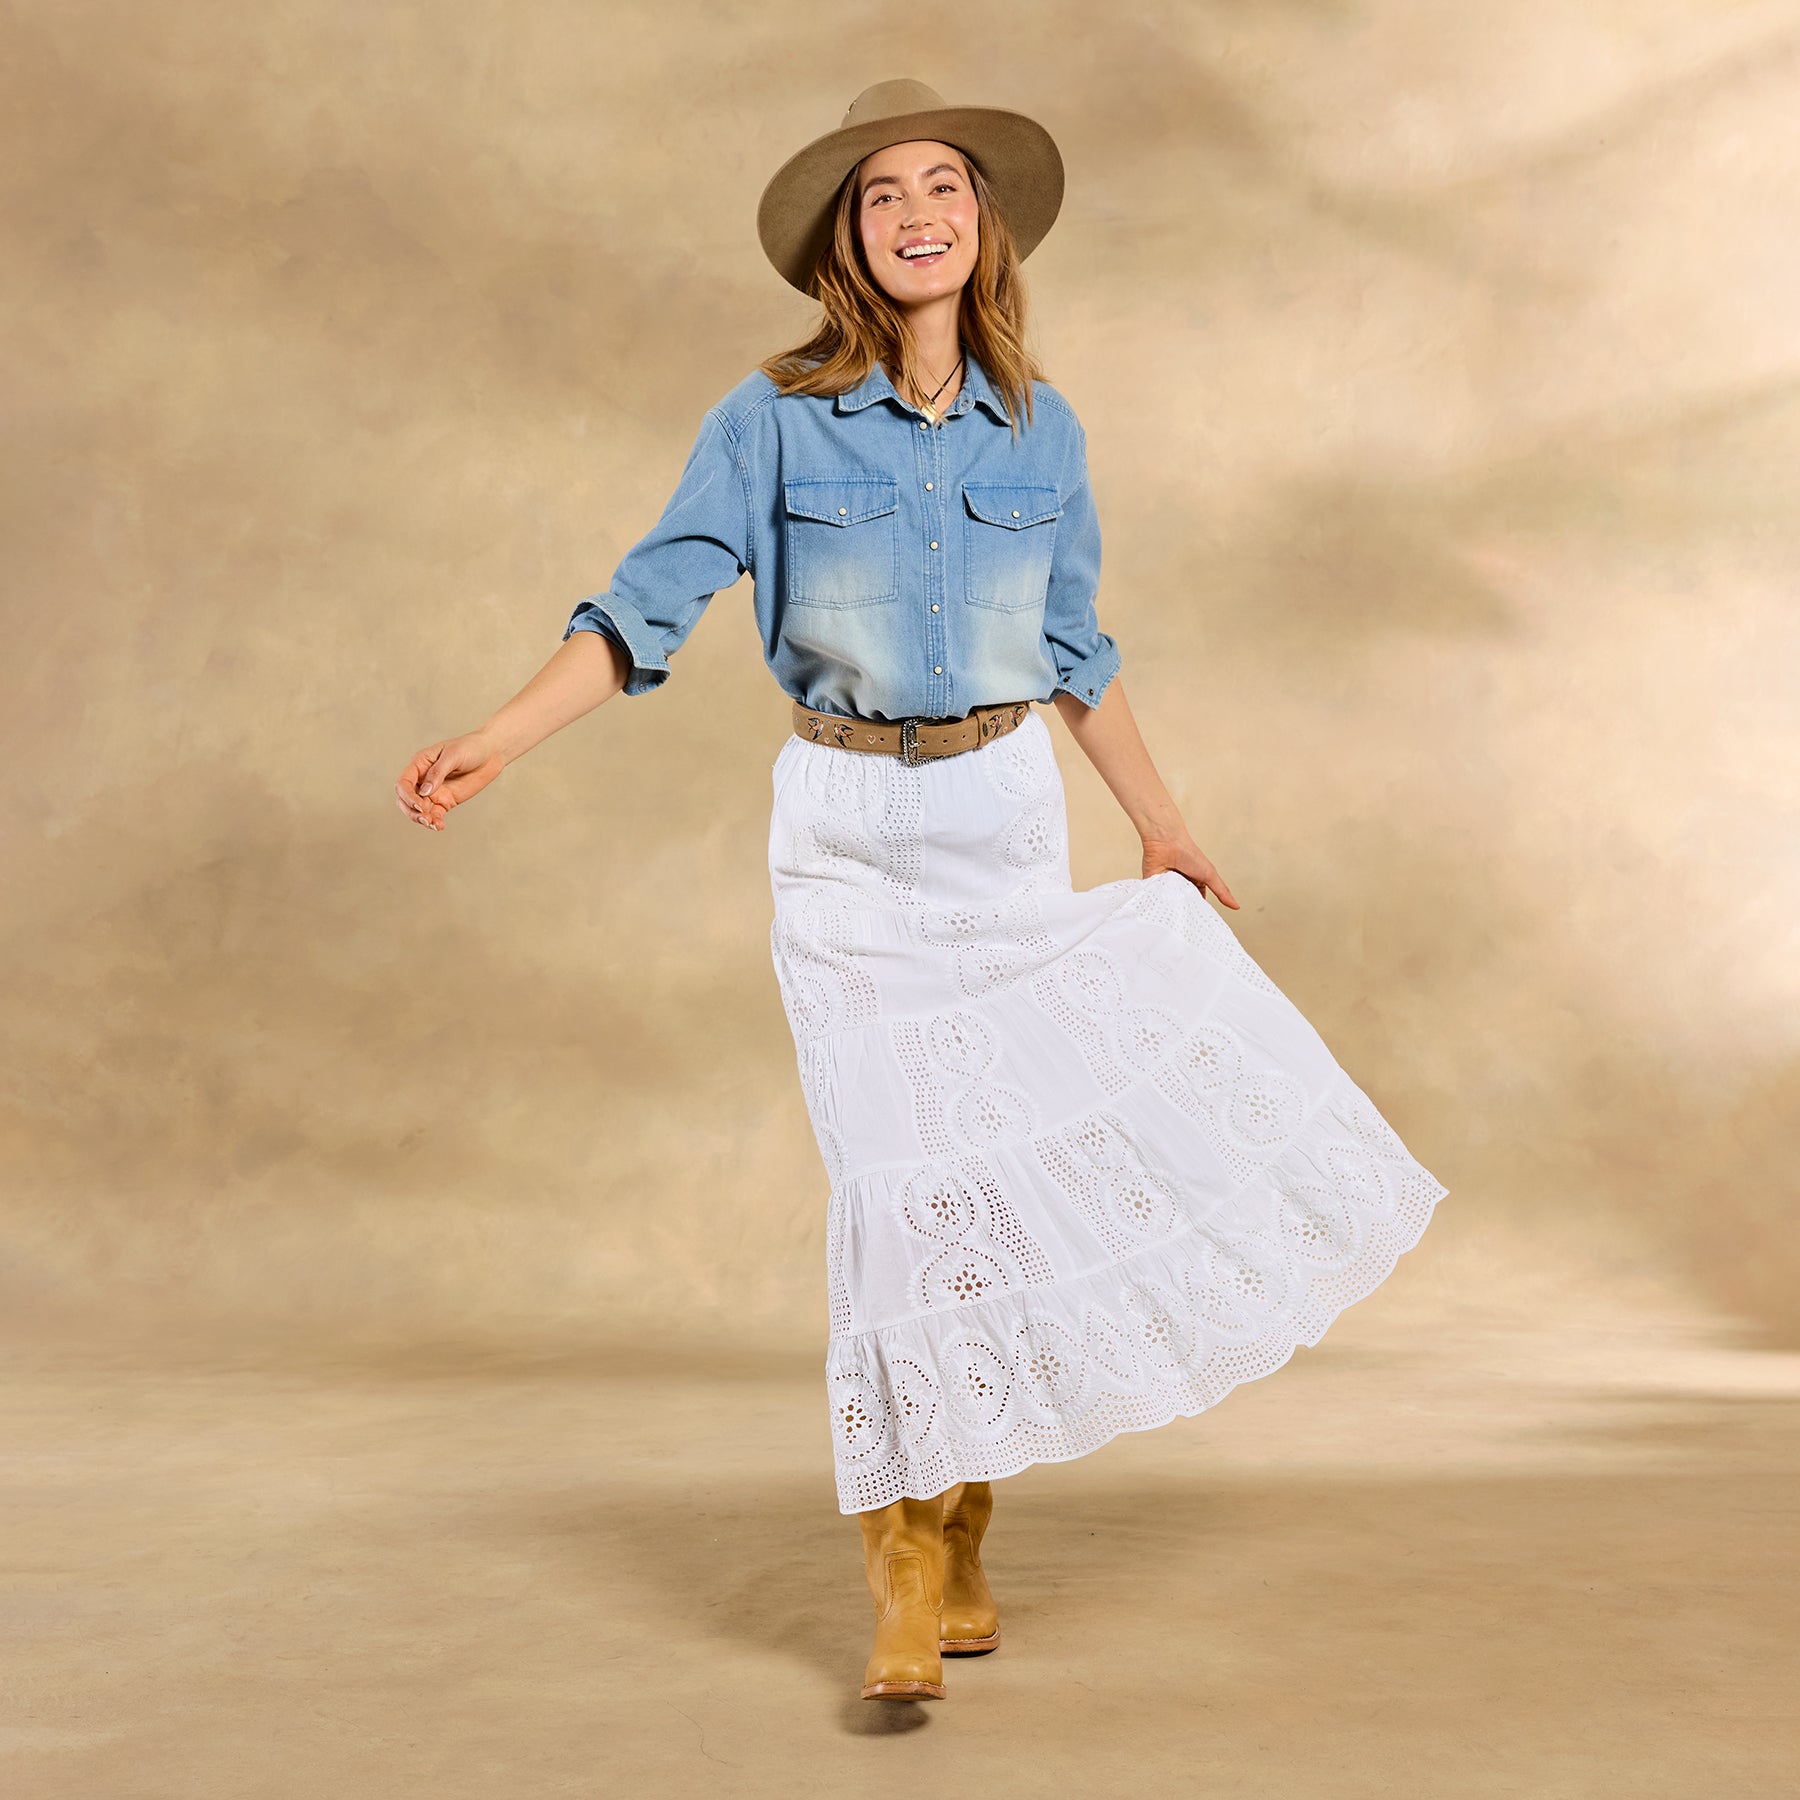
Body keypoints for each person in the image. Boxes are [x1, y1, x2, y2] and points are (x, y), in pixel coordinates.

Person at [394, 79, 1449, 1706]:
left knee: (990, 1194)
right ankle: (895, 1553)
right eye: (880, 193)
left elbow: (1077, 648)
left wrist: (1162, 826)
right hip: (843, 833)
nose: (914, 214)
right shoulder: (769, 417)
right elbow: (646, 603)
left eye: (941, 185)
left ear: (983, 222)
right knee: (898, 1192)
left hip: (1003, 816)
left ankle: (962, 1525)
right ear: (848, 236)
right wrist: (497, 737)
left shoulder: (1045, 428)